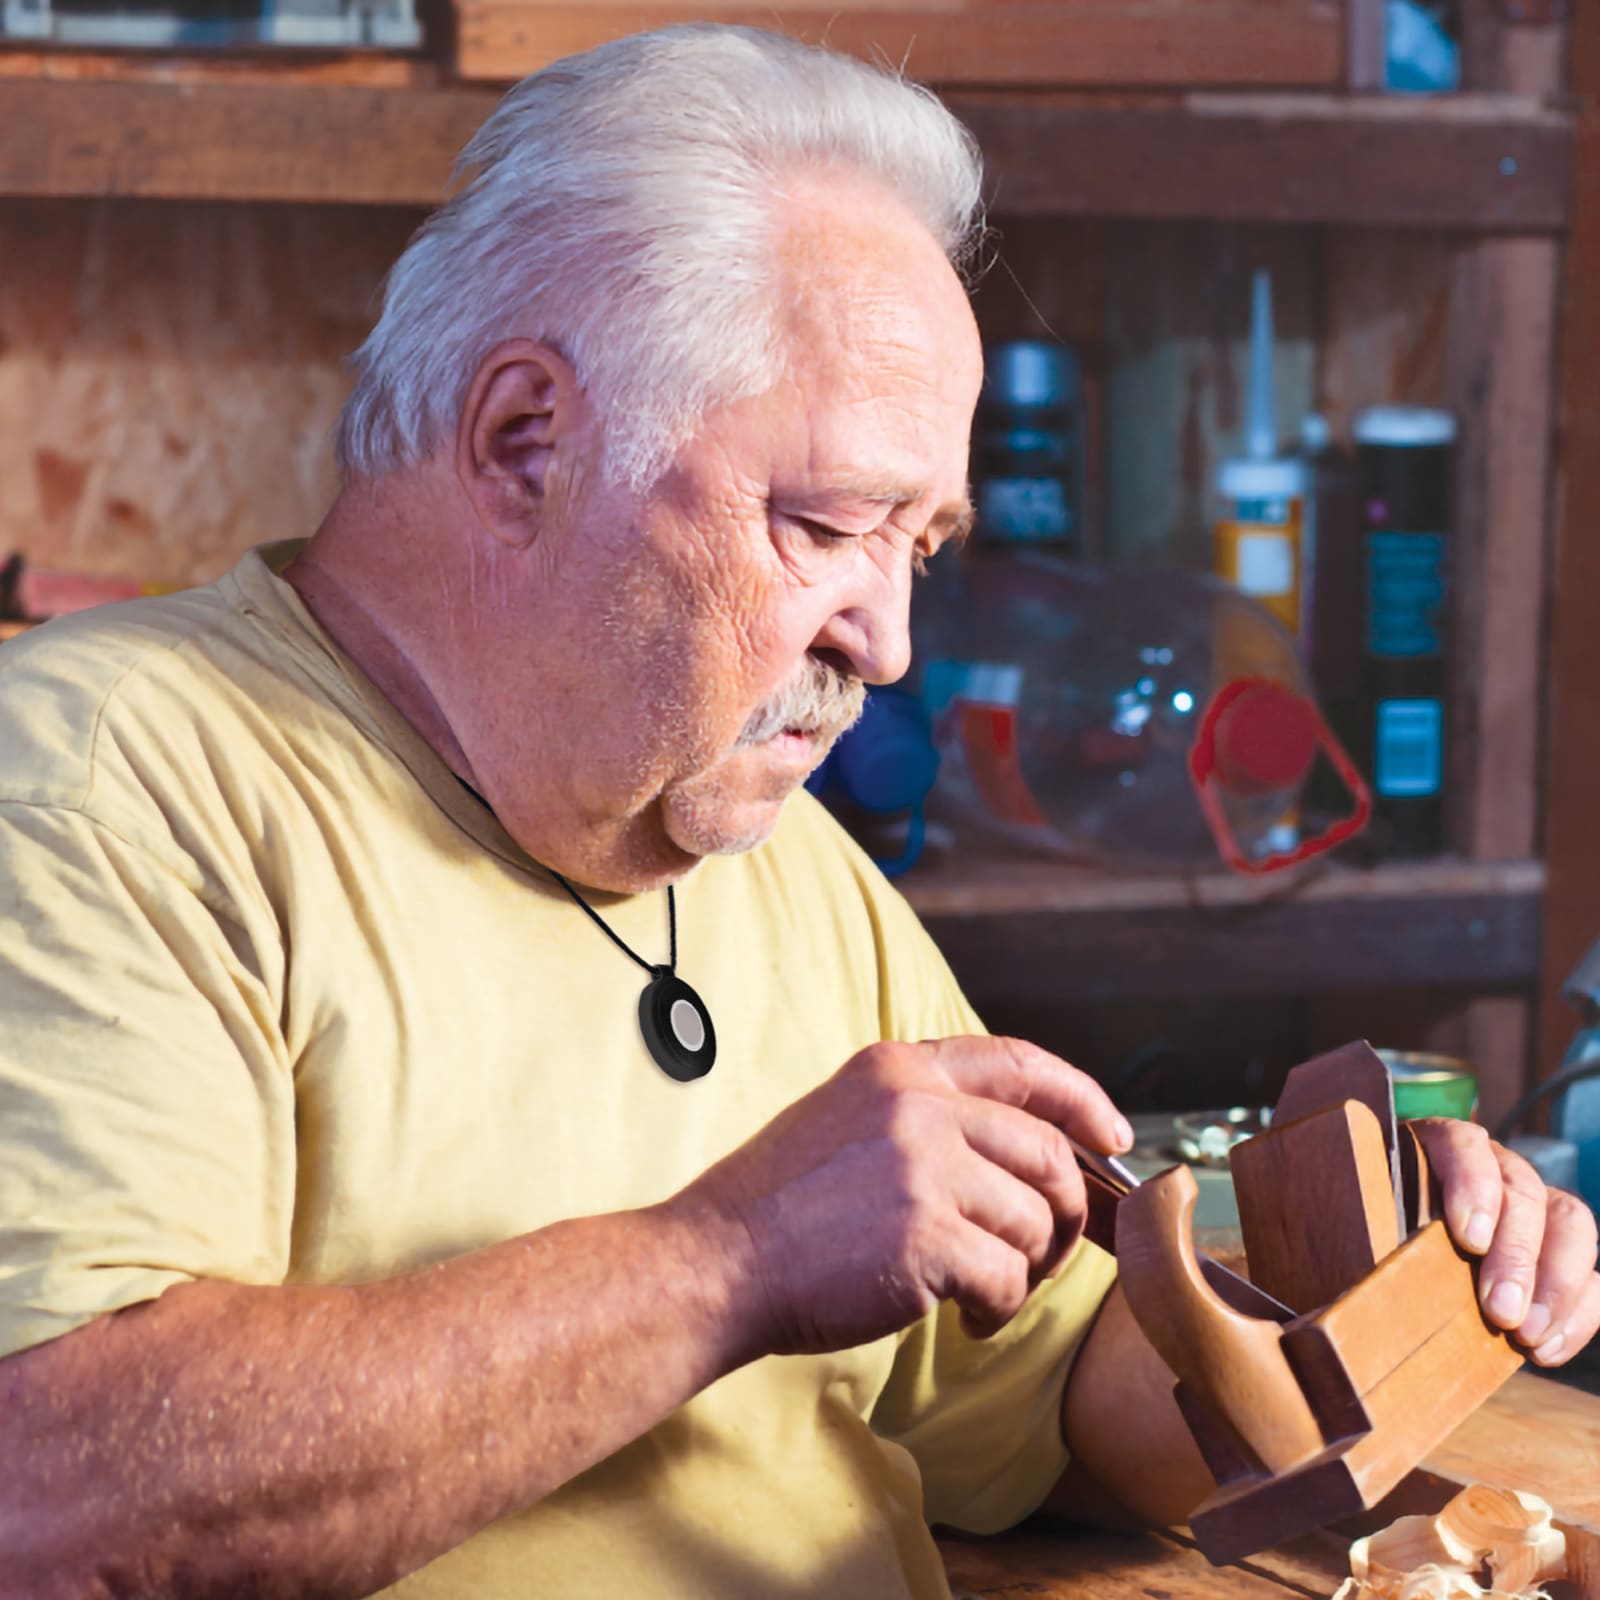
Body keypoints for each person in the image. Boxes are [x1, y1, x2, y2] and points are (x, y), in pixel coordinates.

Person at [0, 23, 1595, 1600]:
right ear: (522, 441)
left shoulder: (779, 864)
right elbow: (55, 1503)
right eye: (828, 524)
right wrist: (730, 1260)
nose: (888, 643)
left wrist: (1360, 1290)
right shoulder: (105, 781)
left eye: (921, 545)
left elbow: (1047, 1414)